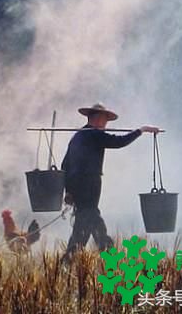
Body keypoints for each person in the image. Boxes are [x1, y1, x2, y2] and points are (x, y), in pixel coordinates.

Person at [60, 103, 159, 263]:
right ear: (98, 119)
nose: (106, 125)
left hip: (77, 186)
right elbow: (118, 142)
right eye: (105, 120)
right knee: (92, 216)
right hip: (89, 185)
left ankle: (70, 261)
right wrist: (141, 130)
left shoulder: (78, 136)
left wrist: (69, 191)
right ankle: (111, 256)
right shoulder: (94, 134)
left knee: (84, 224)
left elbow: (65, 165)